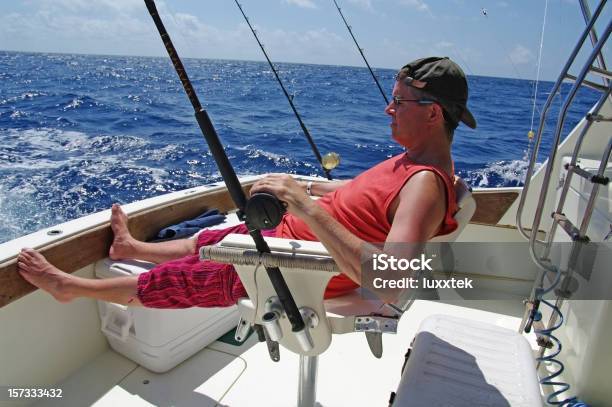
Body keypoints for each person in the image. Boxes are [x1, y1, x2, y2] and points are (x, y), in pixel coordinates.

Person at [17, 56, 476, 307]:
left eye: (399, 101)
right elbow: (360, 199)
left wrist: (307, 209)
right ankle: (131, 250)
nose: (388, 109)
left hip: (295, 269)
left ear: (433, 113)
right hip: (290, 238)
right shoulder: (409, 163)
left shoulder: (424, 185)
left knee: (182, 279)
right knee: (215, 236)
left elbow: (392, 279)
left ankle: (69, 288)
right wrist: (305, 189)